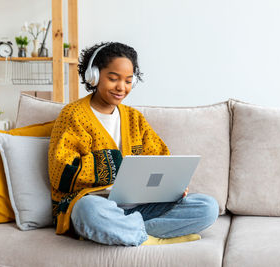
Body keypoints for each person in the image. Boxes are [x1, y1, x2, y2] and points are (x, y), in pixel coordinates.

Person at [48, 42, 219, 246]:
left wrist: (173, 185)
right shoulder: (73, 115)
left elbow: (160, 158)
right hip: (97, 205)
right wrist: (115, 163)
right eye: (113, 79)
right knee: (90, 212)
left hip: (140, 205)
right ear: (93, 76)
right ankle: (149, 236)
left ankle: (124, 232)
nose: (121, 87)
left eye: (128, 81)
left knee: (207, 207)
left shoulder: (134, 118)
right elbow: (61, 171)